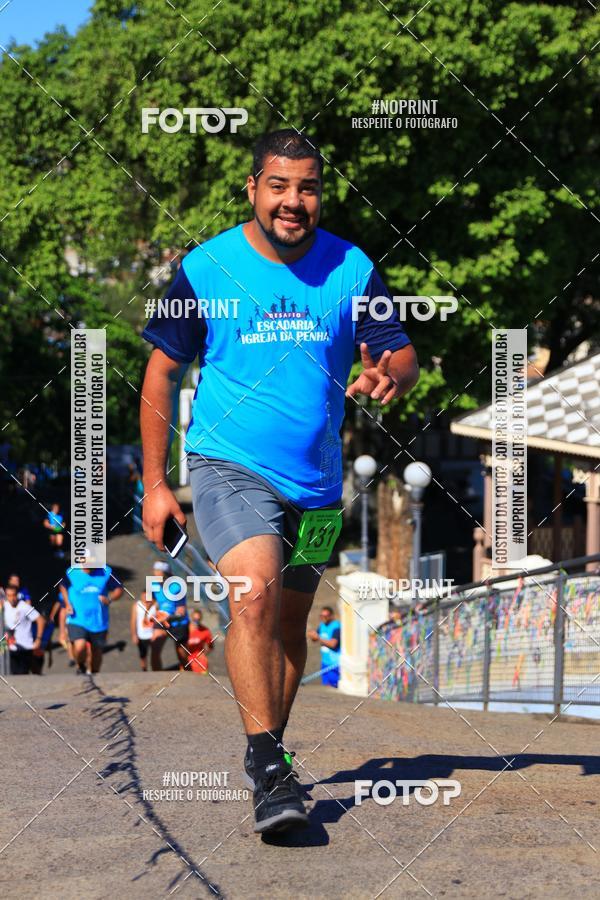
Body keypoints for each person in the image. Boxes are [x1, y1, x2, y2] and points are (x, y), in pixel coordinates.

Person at [140, 129, 419, 833]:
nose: (294, 201)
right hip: (228, 464)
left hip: (319, 485)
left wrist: (391, 372)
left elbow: (402, 353)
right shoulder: (205, 269)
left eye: (308, 187)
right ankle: (271, 769)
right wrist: (154, 483)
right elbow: (161, 373)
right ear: (253, 190)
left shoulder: (351, 267)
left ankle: (267, 752)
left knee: (292, 626)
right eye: (279, 186)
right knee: (254, 592)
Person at [60, 563, 123, 674]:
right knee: (80, 646)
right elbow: (62, 586)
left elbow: (119, 589)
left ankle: (95, 673)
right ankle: (81, 666)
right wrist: (67, 603)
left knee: (97, 651)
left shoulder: (106, 571)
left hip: (98, 621)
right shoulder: (72, 572)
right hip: (77, 619)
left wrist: (109, 599)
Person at [147, 561, 190, 671]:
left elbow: (181, 611)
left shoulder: (177, 586)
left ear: (165, 573)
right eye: (154, 570)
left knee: (182, 655)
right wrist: (147, 612)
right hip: (162, 621)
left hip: (178, 622)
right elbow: (157, 601)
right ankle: (157, 677)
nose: (155, 573)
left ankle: (189, 675)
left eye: (158, 571)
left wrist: (168, 617)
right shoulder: (154, 584)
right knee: (155, 648)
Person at [3, 584, 44, 674]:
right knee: (13, 675)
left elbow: (40, 620)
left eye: (14, 595)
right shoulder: (4, 607)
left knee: (23, 674)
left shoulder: (24, 607)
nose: (12, 598)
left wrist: (38, 639)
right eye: (9, 595)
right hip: (11, 648)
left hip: (26, 647)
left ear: (17, 595)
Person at [308, 606, 341, 688]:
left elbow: (333, 644)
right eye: (321, 616)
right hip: (325, 662)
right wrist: (312, 636)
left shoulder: (336, 627)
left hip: (334, 663)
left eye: (325, 616)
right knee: (326, 686)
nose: (323, 618)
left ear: (331, 616)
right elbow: (315, 638)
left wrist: (318, 638)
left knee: (333, 687)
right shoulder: (322, 625)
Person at [130, 590, 157, 672]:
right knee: (143, 655)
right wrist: (134, 635)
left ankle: (155, 670)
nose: (145, 598)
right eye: (143, 596)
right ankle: (144, 670)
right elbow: (133, 621)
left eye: (147, 596)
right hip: (141, 635)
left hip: (153, 635)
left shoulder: (155, 605)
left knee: (155, 654)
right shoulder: (137, 605)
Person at [187, 608, 214, 674]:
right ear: (191, 618)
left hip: (200, 662)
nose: (196, 621)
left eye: (198, 619)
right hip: (187, 660)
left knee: (202, 678)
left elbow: (211, 646)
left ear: (200, 619)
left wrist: (204, 654)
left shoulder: (205, 631)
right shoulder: (185, 630)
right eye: (194, 619)